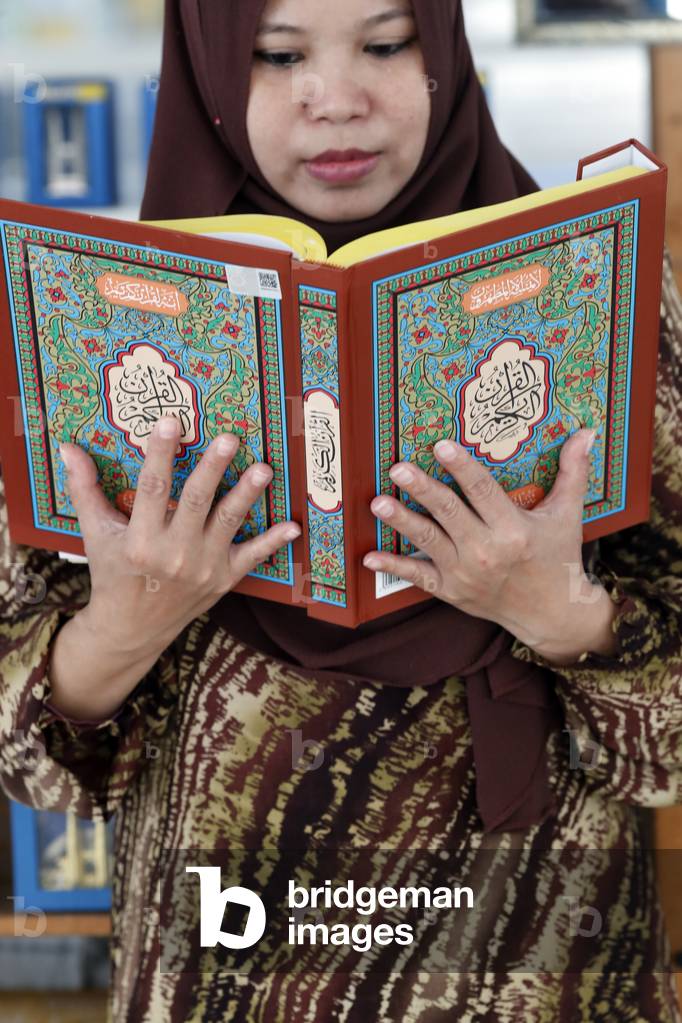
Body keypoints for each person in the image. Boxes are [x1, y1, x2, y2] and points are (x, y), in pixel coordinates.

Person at [1, 1, 681, 1020]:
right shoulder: (95, 332)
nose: (338, 101)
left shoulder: (611, 301)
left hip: (533, 964)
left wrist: (558, 612)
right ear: (209, 71)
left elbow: (663, 757)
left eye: (383, 42)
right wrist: (123, 627)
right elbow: (32, 768)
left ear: (442, 54)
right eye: (278, 56)